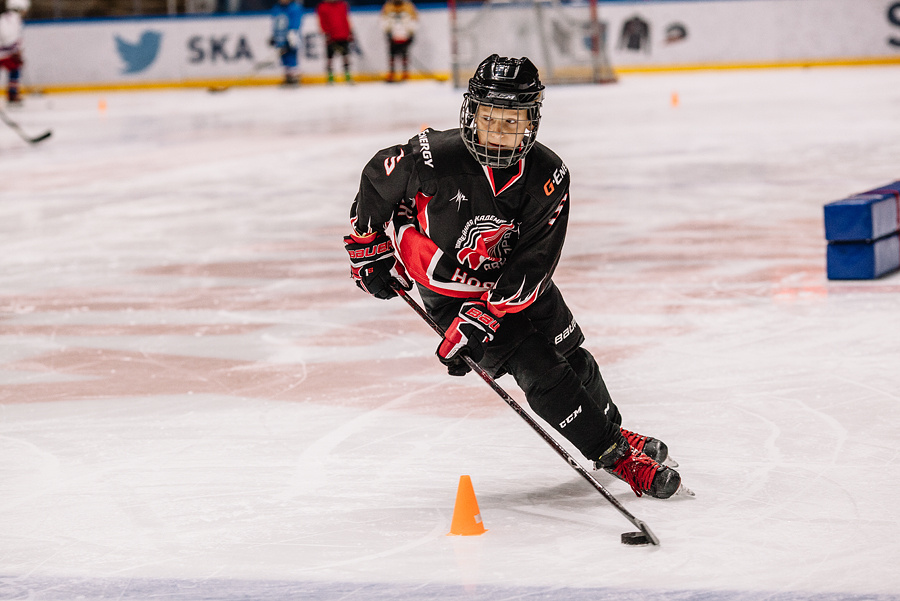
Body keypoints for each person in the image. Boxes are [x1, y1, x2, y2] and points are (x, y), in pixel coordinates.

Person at [342, 54, 683, 499]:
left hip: (517, 286)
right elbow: (378, 177)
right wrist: (368, 242)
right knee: (538, 367)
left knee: (570, 354)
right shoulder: (432, 157)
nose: (499, 131)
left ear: (532, 121)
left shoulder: (548, 174)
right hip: (451, 291)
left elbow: (535, 260)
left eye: (512, 121)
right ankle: (615, 454)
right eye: (489, 118)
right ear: (471, 113)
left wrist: (487, 315)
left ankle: (611, 430)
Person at [315, 0, 353, 83]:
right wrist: (325, 32)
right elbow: (321, 21)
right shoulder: (322, 7)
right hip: (331, 36)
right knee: (329, 58)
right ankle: (330, 77)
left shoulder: (342, 5)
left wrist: (350, 31)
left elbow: (346, 18)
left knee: (345, 56)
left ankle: (347, 76)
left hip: (343, 34)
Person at [380, 0, 417, 82]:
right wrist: (387, 32)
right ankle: (392, 73)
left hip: (405, 35)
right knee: (392, 55)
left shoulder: (408, 6)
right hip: (393, 35)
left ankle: (405, 73)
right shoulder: (388, 6)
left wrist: (411, 33)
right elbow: (384, 20)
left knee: (404, 54)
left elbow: (414, 19)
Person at [0, 0, 28, 106]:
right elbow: (13, 38)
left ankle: (12, 94)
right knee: (15, 70)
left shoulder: (3, 17)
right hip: (7, 52)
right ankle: (12, 94)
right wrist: (17, 51)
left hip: (3, 51)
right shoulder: (16, 19)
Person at [270, 0, 302, 86]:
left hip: (291, 38)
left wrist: (292, 35)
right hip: (280, 38)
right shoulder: (276, 8)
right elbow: (275, 24)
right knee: (284, 58)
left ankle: (294, 78)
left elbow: (296, 22)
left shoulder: (295, 8)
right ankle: (288, 78)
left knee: (291, 57)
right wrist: (274, 36)